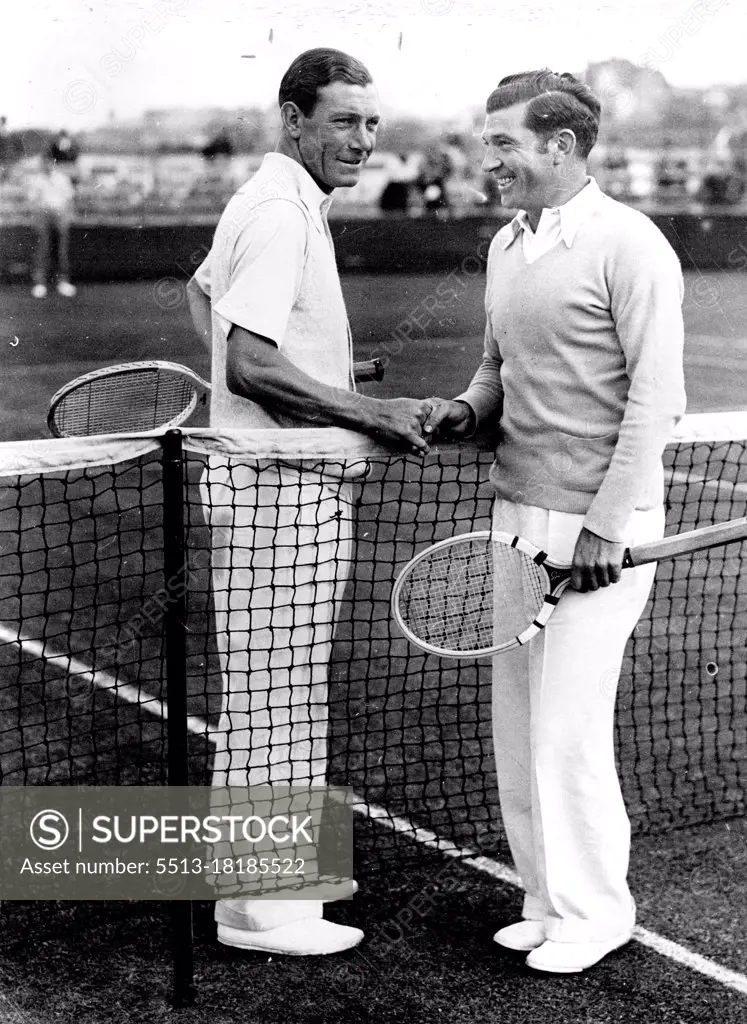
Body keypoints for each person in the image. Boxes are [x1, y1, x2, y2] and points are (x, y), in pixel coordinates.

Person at [424, 69, 686, 974]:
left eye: (501, 142)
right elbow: (496, 369)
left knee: (567, 730)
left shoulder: (630, 244)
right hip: (514, 514)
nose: (485, 158)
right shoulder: (507, 246)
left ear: (559, 147)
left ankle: (594, 913)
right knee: (520, 723)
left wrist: (607, 528)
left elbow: (656, 401)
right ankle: (543, 899)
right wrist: (465, 409)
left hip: (598, 526)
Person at [186, 48, 434, 958]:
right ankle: (263, 913)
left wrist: (321, 375)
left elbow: (205, 300)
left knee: (273, 697)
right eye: (341, 121)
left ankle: (261, 899)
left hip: (279, 490)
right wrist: (365, 408)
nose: (362, 141)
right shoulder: (283, 211)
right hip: (279, 498)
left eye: (371, 123)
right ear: (293, 119)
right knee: (276, 703)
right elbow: (247, 360)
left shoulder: (275, 198)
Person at [26, 154, 77, 299]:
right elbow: (32, 200)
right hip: (43, 215)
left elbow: (69, 198)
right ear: (42, 164)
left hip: (60, 215)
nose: (48, 165)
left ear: (54, 163)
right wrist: (37, 217)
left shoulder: (62, 178)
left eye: (50, 162)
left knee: (61, 249)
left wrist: (66, 216)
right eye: (45, 163)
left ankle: (63, 282)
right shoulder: (36, 180)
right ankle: (40, 284)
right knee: (42, 248)